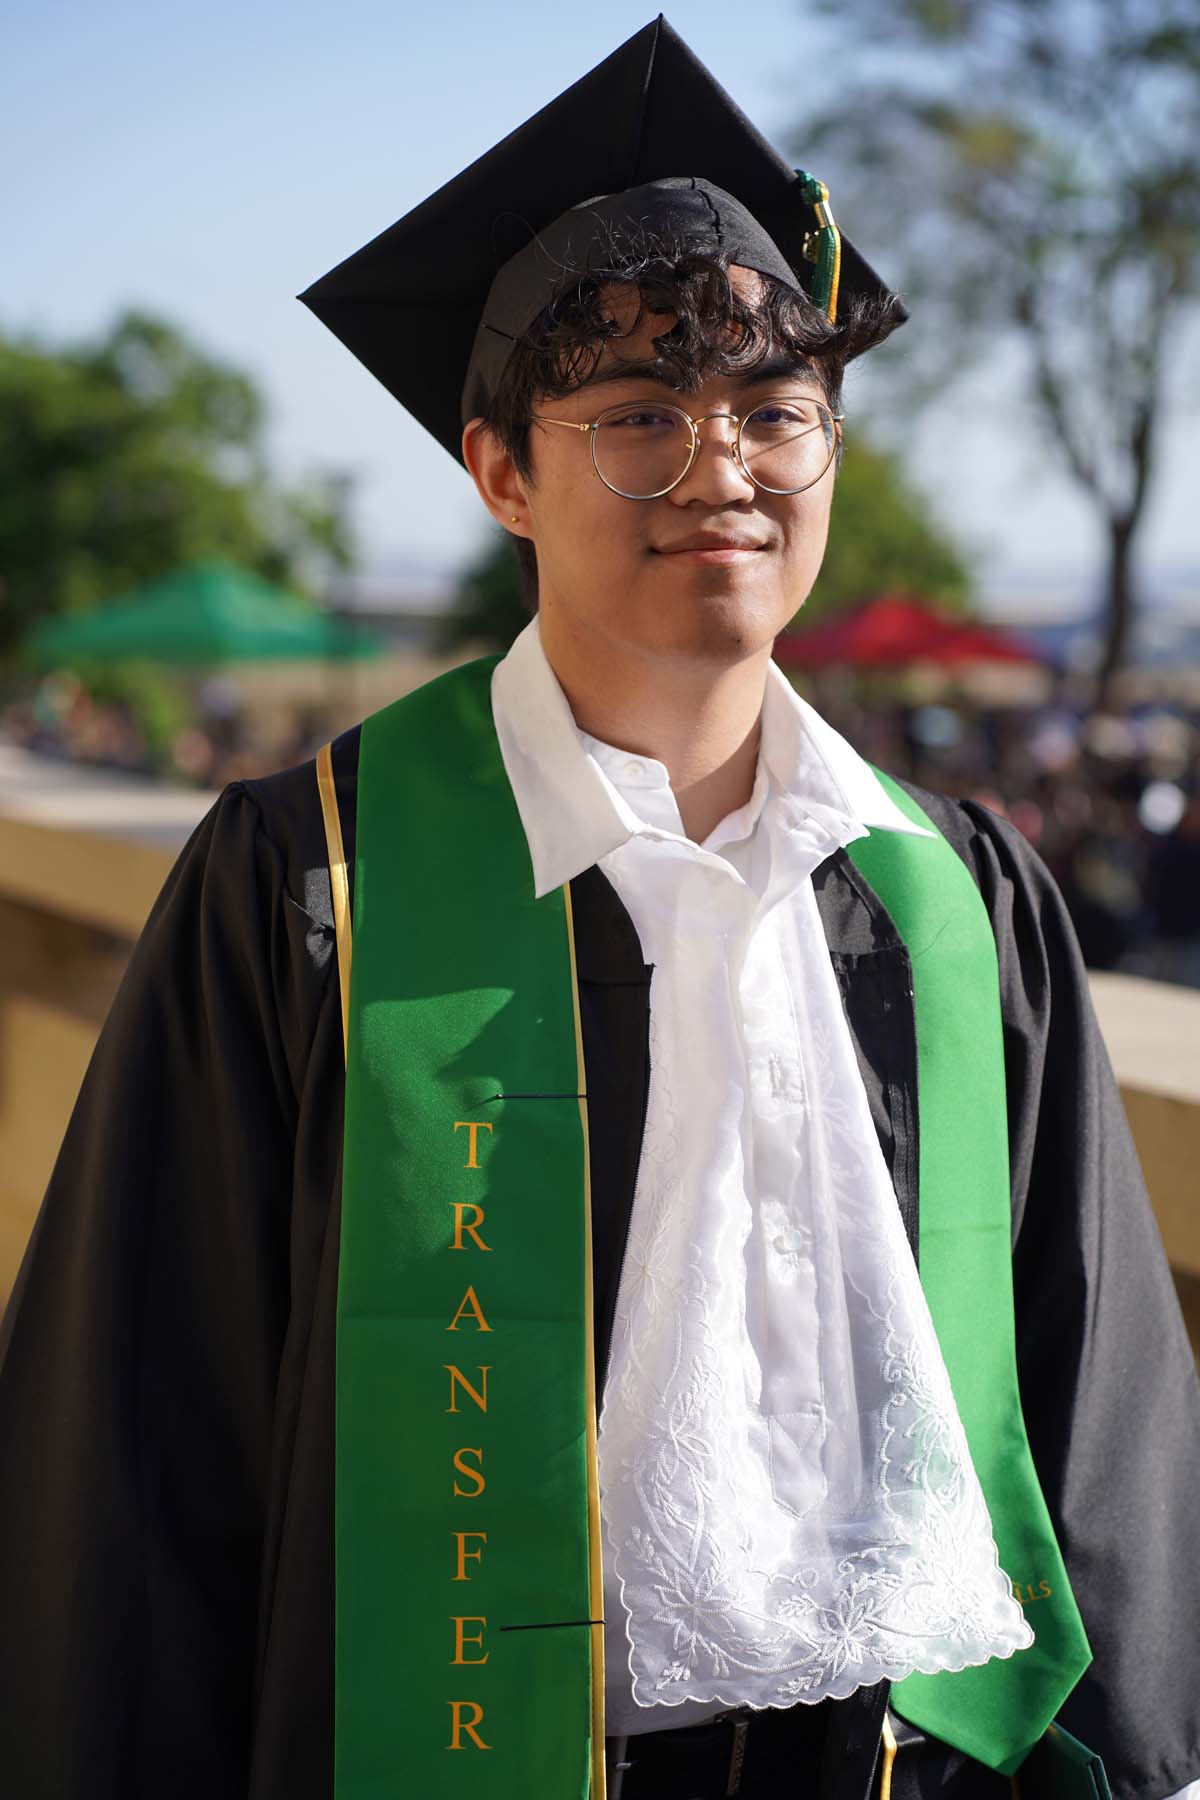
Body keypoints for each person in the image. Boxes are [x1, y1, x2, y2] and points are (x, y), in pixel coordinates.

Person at [2, 19, 1198, 1800]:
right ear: (500, 471)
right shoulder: (310, 884)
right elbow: (142, 1436)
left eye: (775, 413)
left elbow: (1093, 1397)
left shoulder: (955, 897)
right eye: (636, 416)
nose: (718, 467)